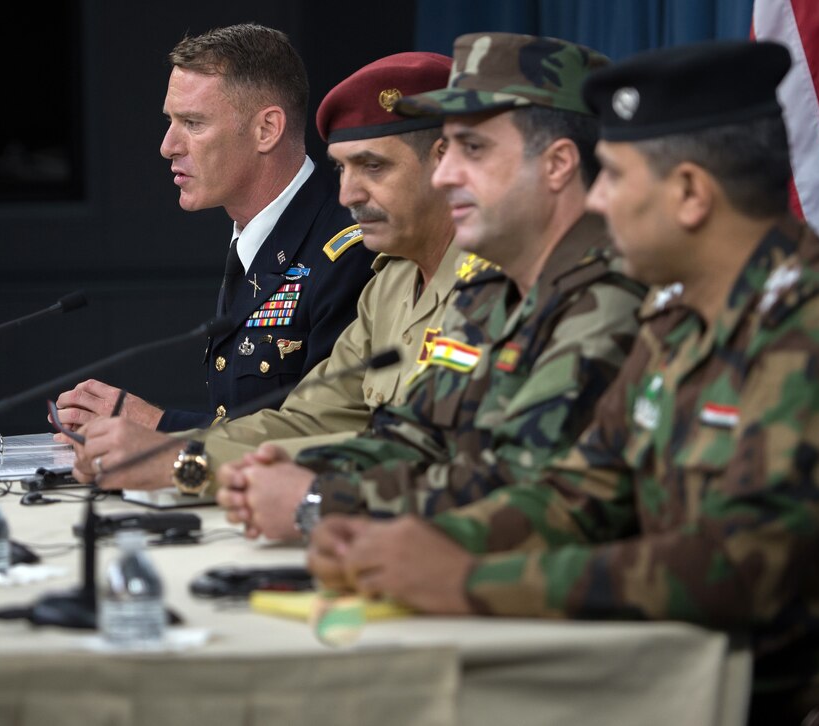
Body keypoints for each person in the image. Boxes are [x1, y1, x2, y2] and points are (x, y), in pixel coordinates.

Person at [308, 40, 819, 724]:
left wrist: (465, 579)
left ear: (692, 193)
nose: (597, 199)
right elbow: (583, 490)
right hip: (671, 683)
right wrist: (418, 545)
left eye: (613, 176)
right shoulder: (677, 316)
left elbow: (735, 567)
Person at [218, 33, 646, 542]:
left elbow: (522, 490)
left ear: (557, 165)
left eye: (473, 149)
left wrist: (317, 502)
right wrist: (266, 473)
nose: (445, 175)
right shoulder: (492, 291)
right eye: (447, 150)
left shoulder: (610, 294)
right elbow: (413, 439)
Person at [65, 52, 471, 493]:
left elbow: (440, 461)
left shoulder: (501, 285)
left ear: (446, 163)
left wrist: (177, 455)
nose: (349, 192)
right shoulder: (391, 284)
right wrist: (173, 456)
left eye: (373, 166)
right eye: (342, 167)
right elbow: (306, 423)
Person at [52, 24, 375, 437]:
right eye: (171, 121)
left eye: (193, 123)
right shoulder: (254, 239)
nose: (168, 145)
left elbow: (320, 434)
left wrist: (157, 425)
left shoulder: (349, 252)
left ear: (267, 130)